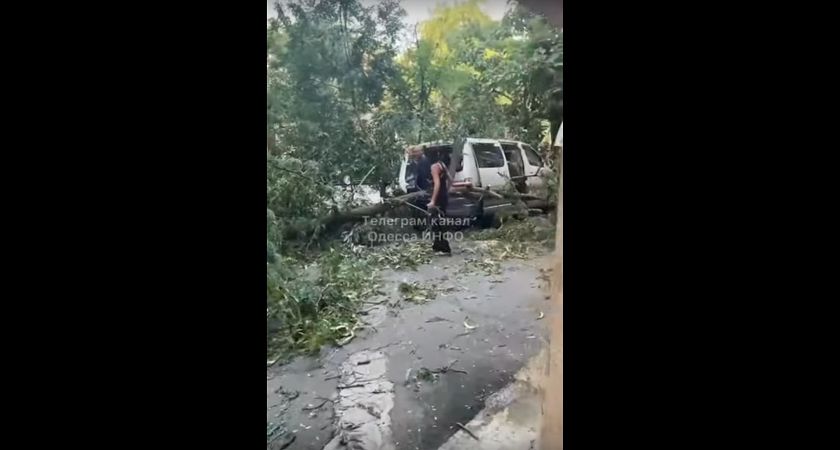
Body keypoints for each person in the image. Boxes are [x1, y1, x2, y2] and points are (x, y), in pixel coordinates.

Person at [426, 149, 451, 254]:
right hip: (444, 196)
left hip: (438, 198)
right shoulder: (442, 165)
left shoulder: (434, 167)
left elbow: (437, 184)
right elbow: (450, 179)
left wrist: (433, 201)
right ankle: (437, 246)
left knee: (436, 223)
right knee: (440, 221)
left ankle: (444, 248)